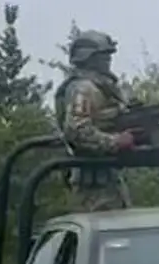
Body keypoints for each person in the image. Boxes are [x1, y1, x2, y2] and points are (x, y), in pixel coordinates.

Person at [53, 30, 136, 211]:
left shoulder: (103, 87)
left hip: (108, 175)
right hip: (91, 184)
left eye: (108, 55)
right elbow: (77, 130)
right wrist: (115, 141)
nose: (108, 60)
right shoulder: (83, 88)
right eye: (102, 55)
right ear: (88, 57)